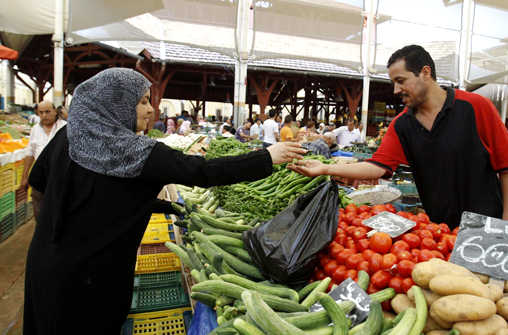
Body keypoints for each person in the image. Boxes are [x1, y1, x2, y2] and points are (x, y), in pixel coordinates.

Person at [23, 68, 306, 334]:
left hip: (45, 264)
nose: (151, 109)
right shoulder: (140, 153)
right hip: (95, 280)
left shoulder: (68, 137)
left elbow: (43, 188)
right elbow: (203, 171)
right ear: (116, 104)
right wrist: (266, 157)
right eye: (143, 101)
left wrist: (51, 236)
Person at [290, 45, 508, 229]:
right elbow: (376, 166)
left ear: (425, 73)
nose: (395, 90)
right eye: (393, 83)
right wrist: (325, 168)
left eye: (401, 81)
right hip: (442, 229)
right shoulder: (402, 125)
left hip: (490, 225)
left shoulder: (475, 106)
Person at [20, 100, 67, 221]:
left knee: (59, 213)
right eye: (41, 112)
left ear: (54, 111)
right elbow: (30, 153)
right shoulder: (35, 129)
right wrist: (25, 176)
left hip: (60, 178)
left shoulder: (65, 128)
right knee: (40, 213)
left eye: (47, 111)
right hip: (40, 178)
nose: (44, 115)